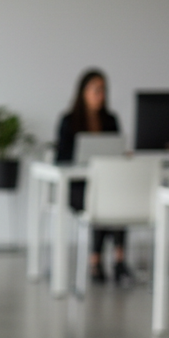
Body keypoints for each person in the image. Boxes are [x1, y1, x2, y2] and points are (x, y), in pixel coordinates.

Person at [55, 68, 128, 283]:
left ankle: (119, 260)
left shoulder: (110, 120)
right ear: (83, 92)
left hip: (106, 184)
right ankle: (95, 261)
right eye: (96, 89)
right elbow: (61, 158)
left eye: (103, 90)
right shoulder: (69, 120)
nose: (100, 94)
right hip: (79, 187)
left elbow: (118, 150)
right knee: (99, 200)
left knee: (117, 200)